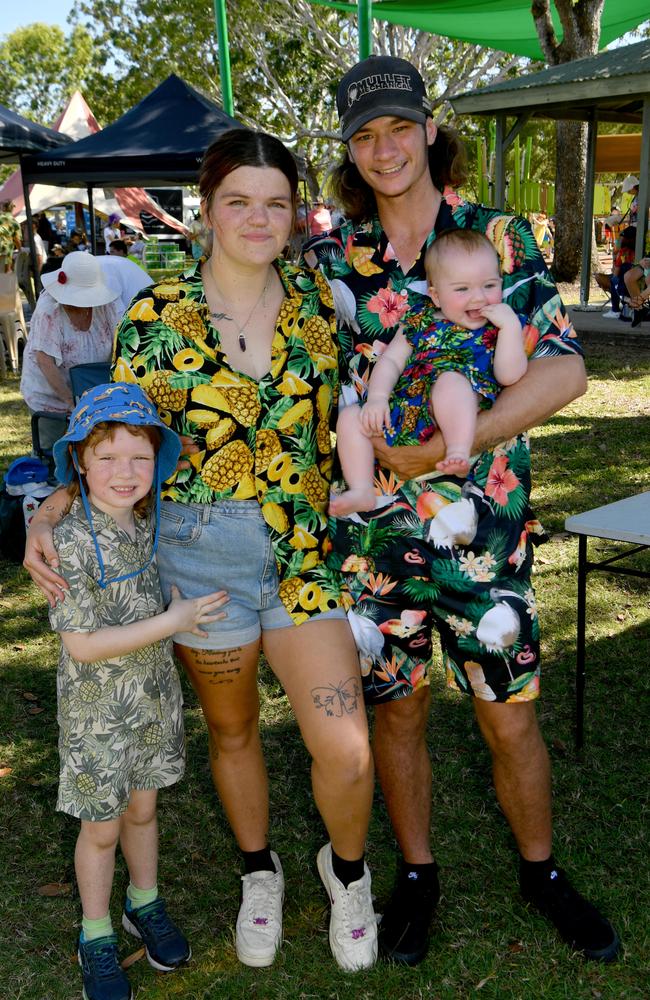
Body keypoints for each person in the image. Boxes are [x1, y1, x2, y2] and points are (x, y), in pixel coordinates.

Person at [23, 128, 378, 974]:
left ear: (296, 213)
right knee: (233, 731)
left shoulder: (322, 306)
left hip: (299, 552)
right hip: (195, 555)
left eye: (276, 203)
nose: (258, 219)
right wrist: (53, 506)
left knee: (345, 744)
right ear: (209, 207)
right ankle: (260, 871)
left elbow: (358, 418)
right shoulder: (154, 315)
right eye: (238, 201)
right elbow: (113, 440)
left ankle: (349, 872)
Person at [304, 55, 619, 966]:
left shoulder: (499, 237)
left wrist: (465, 439)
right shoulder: (335, 262)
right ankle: (417, 873)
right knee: (395, 713)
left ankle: (543, 872)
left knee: (508, 712)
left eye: (398, 127)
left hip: (484, 538)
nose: (384, 148)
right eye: (364, 136)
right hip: (374, 543)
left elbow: (565, 368)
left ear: (430, 131)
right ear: (350, 154)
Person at [49, 382, 228, 1000]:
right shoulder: (66, 541)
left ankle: (142, 904)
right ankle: (96, 933)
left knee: (144, 809)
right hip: (97, 713)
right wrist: (174, 622)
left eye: (140, 458)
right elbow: (83, 645)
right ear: (79, 462)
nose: (124, 473)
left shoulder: (152, 520)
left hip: (153, 699)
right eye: (106, 458)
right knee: (101, 826)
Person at [331, 229, 528, 515]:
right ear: (435, 295)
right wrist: (377, 399)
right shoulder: (420, 321)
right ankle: (361, 489)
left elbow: (510, 375)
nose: (478, 298)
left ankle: (459, 451)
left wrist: (510, 329)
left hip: (458, 406)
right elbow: (391, 362)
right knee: (350, 418)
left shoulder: (499, 326)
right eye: (462, 289)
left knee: (449, 381)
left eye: (489, 285)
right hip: (408, 409)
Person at [20, 252, 122, 450]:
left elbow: (122, 341)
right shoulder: (50, 309)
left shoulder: (106, 304)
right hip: (50, 396)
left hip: (91, 395)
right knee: (54, 453)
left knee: (93, 453)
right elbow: (44, 360)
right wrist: (70, 402)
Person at [596, 225, 636, 320]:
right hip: (635, 283)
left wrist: (615, 254)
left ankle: (615, 309)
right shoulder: (639, 251)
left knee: (613, 281)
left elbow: (616, 271)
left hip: (623, 284)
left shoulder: (623, 252)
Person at [0, 199, 21, 271]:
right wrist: (20, 250)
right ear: (12, 209)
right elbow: (16, 239)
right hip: (6, 250)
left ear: (4, 208)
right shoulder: (14, 222)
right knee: (5, 273)